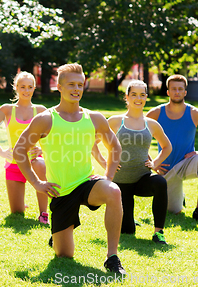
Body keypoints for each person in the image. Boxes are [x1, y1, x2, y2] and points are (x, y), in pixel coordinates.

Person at [13, 63, 126, 275]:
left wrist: (109, 177)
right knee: (64, 255)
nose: (76, 89)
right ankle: (57, 235)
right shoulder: (45, 119)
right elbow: (19, 150)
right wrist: (37, 183)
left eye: (80, 85)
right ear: (59, 86)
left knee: (114, 191)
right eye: (71, 84)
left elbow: (115, 146)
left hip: (86, 182)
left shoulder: (94, 118)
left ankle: (112, 256)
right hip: (60, 191)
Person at [102, 80, 172, 244]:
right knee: (127, 230)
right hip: (120, 183)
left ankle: (158, 232)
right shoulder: (115, 121)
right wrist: (105, 163)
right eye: (134, 94)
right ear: (127, 97)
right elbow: (93, 143)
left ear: (146, 98)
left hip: (142, 178)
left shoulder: (152, 124)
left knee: (160, 182)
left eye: (142, 95)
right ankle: (129, 221)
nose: (138, 98)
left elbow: (167, 147)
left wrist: (155, 163)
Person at [146, 74, 198, 222]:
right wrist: (153, 163)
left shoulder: (195, 113)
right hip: (166, 168)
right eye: (173, 89)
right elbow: (139, 138)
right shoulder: (155, 113)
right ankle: (179, 197)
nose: (177, 92)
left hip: (187, 163)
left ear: (185, 92)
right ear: (167, 92)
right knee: (174, 211)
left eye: (180, 89)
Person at [0, 71, 49, 223]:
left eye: (30, 87)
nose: (26, 91)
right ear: (16, 87)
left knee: (40, 164)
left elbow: (52, 135)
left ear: (34, 88)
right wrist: (0, 152)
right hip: (14, 163)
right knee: (17, 212)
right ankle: (21, 204)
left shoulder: (40, 110)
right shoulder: (7, 109)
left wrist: (42, 150)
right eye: (23, 87)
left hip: (33, 160)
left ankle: (43, 213)